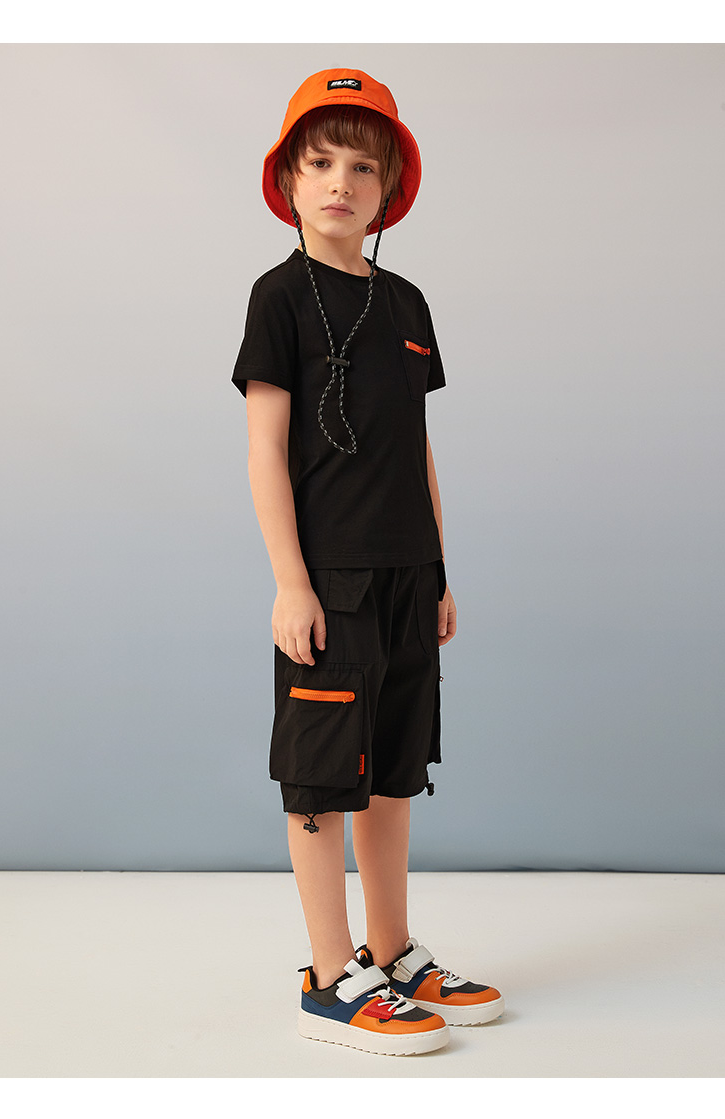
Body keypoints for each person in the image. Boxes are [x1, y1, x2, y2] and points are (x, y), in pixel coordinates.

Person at [232, 68, 504, 1055]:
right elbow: (265, 450)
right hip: (330, 584)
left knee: (393, 772)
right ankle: (329, 971)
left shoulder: (408, 304)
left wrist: (438, 570)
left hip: (406, 576)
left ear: (388, 190)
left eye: (362, 167)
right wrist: (291, 582)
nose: (340, 183)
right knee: (320, 778)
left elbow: (415, 447)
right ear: (288, 180)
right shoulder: (277, 298)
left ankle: (391, 951)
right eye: (321, 164)